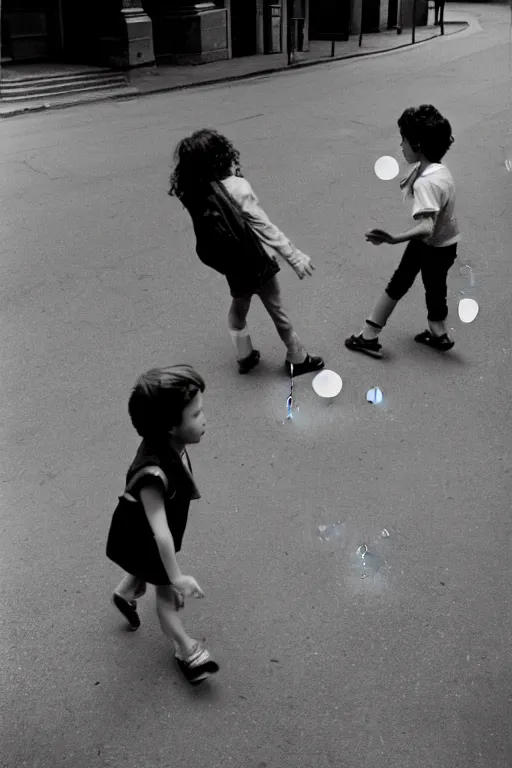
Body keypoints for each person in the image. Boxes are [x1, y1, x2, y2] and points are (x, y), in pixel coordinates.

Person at [169, 128, 325, 377]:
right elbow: (263, 225)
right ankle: (297, 357)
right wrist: (293, 255)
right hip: (257, 260)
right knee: (276, 310)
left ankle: (244, 354)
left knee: (239, 305)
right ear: (223, 157)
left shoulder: (196, 192)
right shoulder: (237, 187)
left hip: (233, 263)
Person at [106, 365, 219, 685]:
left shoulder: (168, 444)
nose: (204, 419)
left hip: (141, 536)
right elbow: (161, 534)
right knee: (168, 601)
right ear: (170, 427)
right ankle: (187, 652)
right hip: (146, 540)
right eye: (196, 414)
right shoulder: (152, 476)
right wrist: (176, 577)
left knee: (145, 570)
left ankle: (126, 591)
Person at [345, 104, 459, 359]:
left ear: (417, 146)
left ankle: (368, 335)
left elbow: (427, 226)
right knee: (436, 285)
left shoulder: (426, 183)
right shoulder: (440, 170)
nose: (401, 146)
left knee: (399, 283)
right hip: (447, 242)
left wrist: (393, 239)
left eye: (404, 141)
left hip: (428, 243)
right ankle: (438, 331)